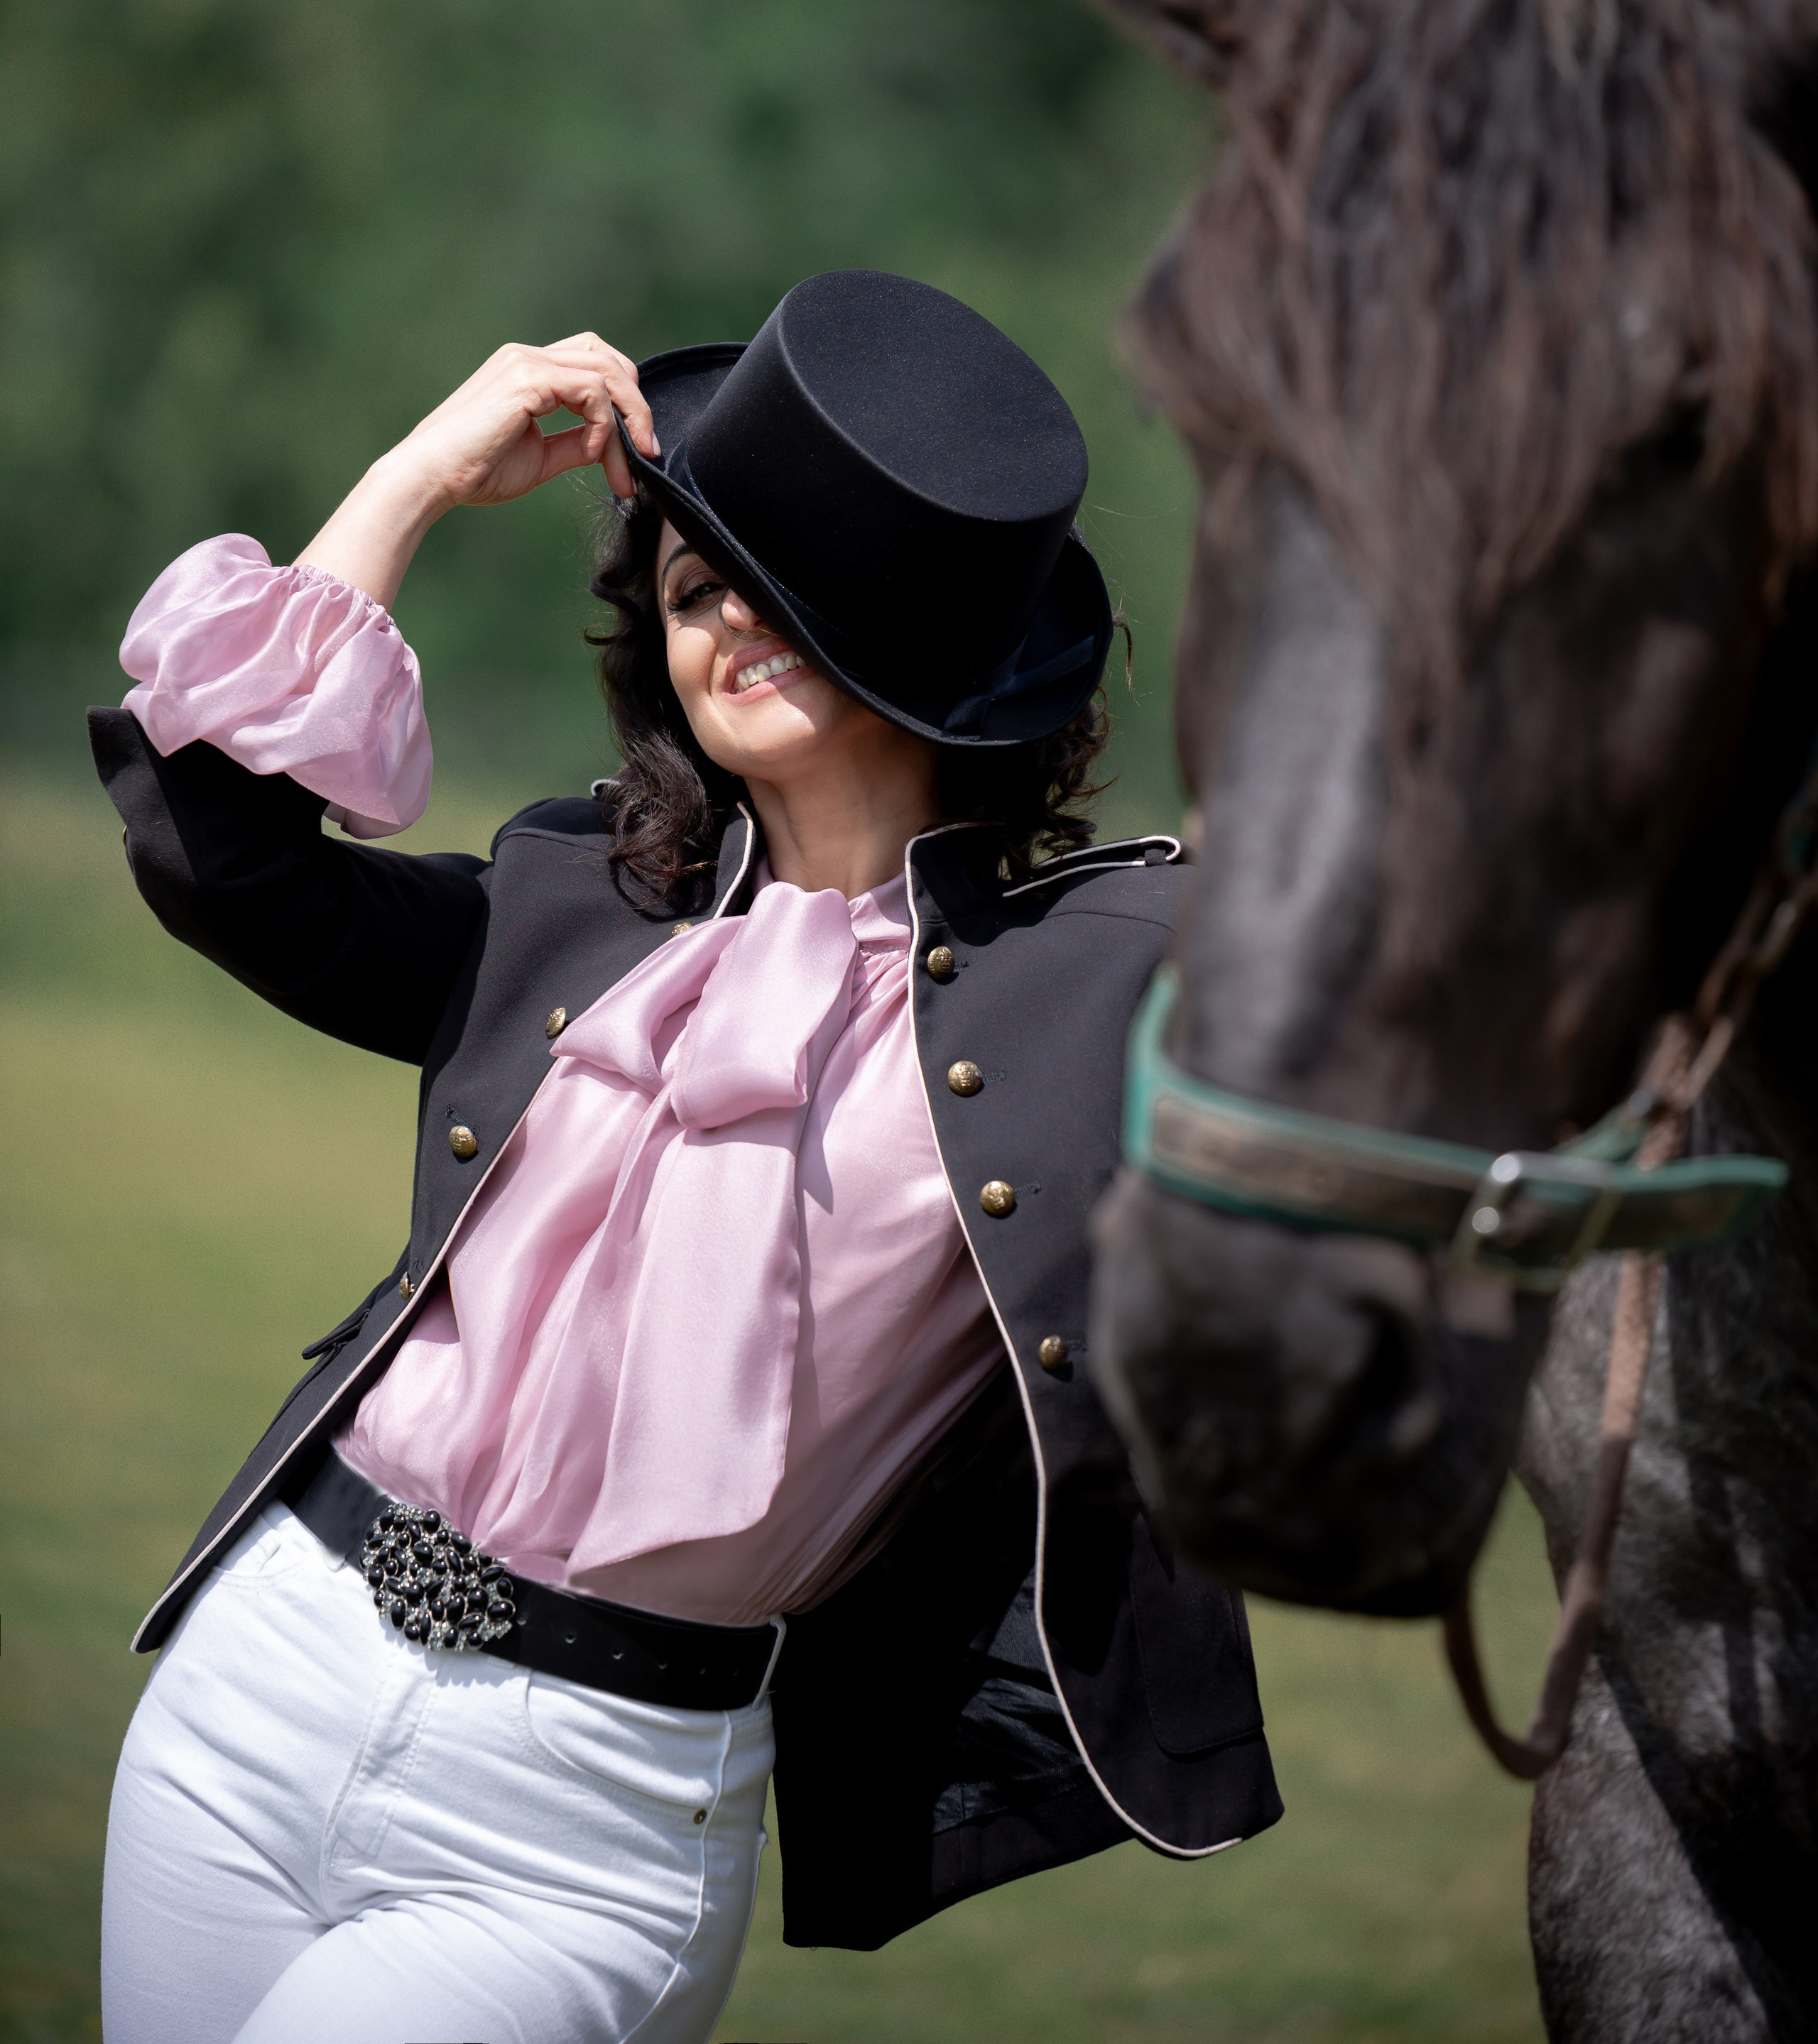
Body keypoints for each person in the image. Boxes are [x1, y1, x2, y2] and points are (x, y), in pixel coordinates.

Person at [90, 269, 1280, 2044]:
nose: (725, 620)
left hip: (584, 1822)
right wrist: (418, 472)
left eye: (780, 583)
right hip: (261, 1678)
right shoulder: (575, 896)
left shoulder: (1114, 969)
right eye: (692, 585)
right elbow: (220, 853)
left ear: (943, 634)